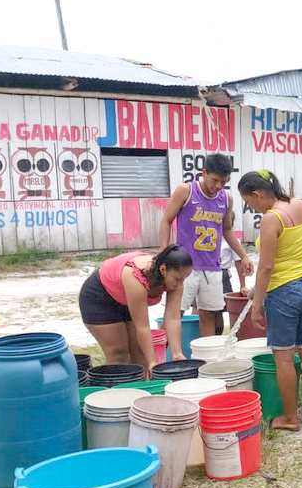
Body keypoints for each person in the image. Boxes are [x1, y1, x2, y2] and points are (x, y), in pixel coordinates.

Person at [238, 169, 302, 431]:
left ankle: (289, 418)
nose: (251, 208)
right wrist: (297, 250)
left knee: (284, 357)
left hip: (284, 292)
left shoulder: (271, 218)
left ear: (257, 194)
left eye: (249, 202)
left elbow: (265, 268)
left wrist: (256, 307)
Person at [159, 153, 253, 338]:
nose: (218, 186)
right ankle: (161, 358)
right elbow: (166, 220)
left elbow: (227, 230)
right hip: (184, 266)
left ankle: (206, 361)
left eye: (223, 182)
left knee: (209, 315)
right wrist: (163, 254)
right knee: (175, 313)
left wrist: (244, 256)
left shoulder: (226, 198)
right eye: (215, 180)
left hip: (212, 267)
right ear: (204, 173)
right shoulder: (185, 191)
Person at [78, 245, 192, 376]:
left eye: (184, 278)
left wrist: (176, 353)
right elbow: (142, 327)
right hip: (99, 297)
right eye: (177, 279)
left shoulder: (176, 279)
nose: (180, 283)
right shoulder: (136, 278)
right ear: (163, 269)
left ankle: (141, 389)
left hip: (124, 298)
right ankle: (116, 391)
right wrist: (151, 362)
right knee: (118, 352)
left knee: (139, 352)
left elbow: (173, 317)